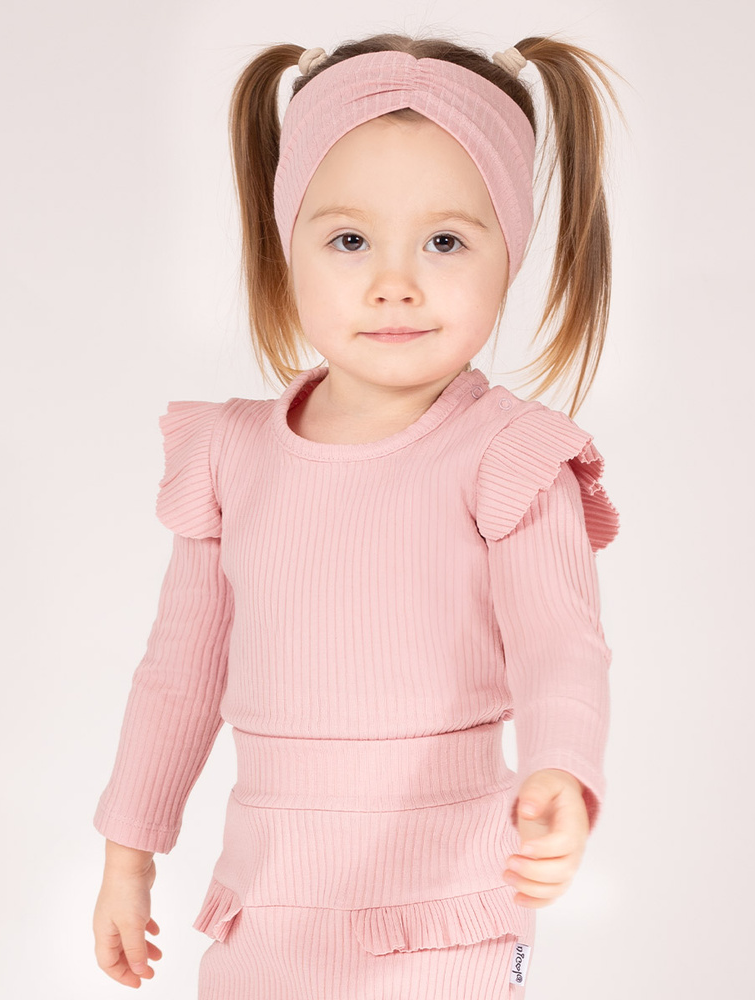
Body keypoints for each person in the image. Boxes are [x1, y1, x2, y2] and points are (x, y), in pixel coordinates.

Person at [91, 32, 624, 998]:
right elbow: (177, 674)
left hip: (446, 907)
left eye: (446, 242)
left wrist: (561, 770)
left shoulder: (511, 457)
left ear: (510, 254)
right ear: (285, 246)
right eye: (348, 241)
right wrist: (129, 853)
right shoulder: (230, 455)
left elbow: (561, 646)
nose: (394, 282)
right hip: (268, 906)